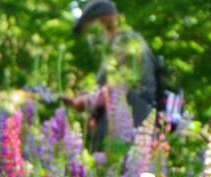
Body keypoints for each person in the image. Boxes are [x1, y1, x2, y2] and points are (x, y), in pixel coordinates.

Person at [64, 1, 162, 140]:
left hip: (132, 133)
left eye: (91, 32)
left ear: (105, 21)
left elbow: (119, 86)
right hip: (124, 132)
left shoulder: (126, 42)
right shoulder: (120, 45)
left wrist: (86, 101)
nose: (91, 39)